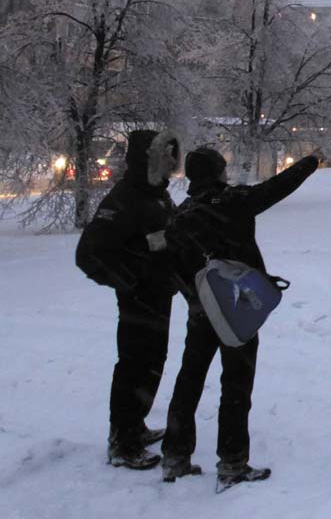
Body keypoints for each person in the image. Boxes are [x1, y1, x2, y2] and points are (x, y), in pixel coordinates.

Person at [162, 148, 319, 490]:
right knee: (235, 384)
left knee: (189, 379)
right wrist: (309, 163)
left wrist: (195, 297)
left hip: (200, 313)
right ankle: (232, 463)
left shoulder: (181, 215)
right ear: (217, 172)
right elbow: (276, 187)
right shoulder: (233, 201)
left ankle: (175, 456)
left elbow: (171, 267)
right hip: (238, 309)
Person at [75, 129, 180, 470]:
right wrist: (131, 280)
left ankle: (136, 424)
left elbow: (168, 238)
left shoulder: (159, 196)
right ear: (147, 159)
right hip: (138, 302)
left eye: (171, 155)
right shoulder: (124, 199)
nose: (170, 162)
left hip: (160, 296)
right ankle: (122, 441)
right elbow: (89, 254)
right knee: (133, 367)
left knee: (153, 364)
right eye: (163, 155)